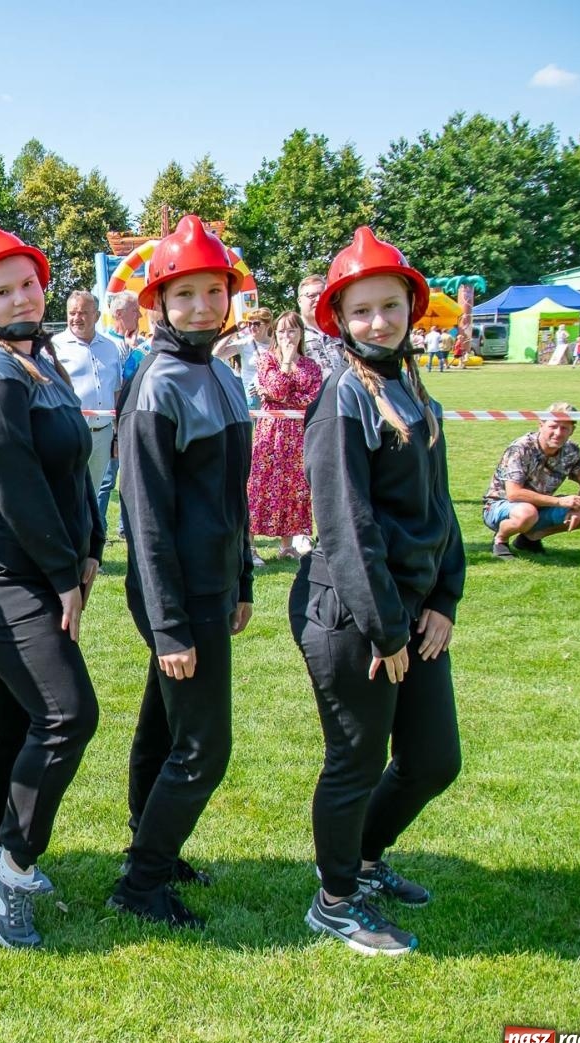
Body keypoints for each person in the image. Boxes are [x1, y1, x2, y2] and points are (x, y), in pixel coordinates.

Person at [294, 227, 464, 955]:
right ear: (339, 318)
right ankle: (334, 901)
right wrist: (388, 629)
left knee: (433, 758)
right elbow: (346, 528)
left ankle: (362, 862)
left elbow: (440, 506)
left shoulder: (409, 385)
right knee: (355, 761)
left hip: (413, 613)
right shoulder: (342, 399)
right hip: (352, 616)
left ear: (410, 308)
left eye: (389, 306)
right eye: (361, 311)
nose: (378, 322)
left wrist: (445, 600)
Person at [0, 220, 103, 949]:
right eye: (0, 289)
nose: (19, 297)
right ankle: (9, 867)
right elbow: (16, 486)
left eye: (27, 283)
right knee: (68, 713)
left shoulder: (41, 360)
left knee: (14, 717)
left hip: (43, 566)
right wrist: (65, 571)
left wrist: (91, 547)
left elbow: (74, 465)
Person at [112, 215, 253, 930]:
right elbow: (147, 520)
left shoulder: (220, 375)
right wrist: (170, 626)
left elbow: (234, 494)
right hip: (178, 595)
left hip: (212, 587)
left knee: (163, 730)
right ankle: (140, 883)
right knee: (203, 746)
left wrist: (245, 581)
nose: (202, 306)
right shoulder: (158, 383)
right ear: (159, 302)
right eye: (186, 293)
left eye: (213, 291)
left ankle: (153, 848)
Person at [483, 402, 580, 559]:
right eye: (553, 426)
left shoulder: (571, 450)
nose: (558, 433)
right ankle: (500, 540)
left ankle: (530, 538)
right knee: (527, 513)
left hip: (540, 507)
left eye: (564, 428)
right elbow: (514, 494)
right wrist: (560, 502)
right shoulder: (521, 448)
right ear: (541, 425)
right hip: (501, 506)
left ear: (572, 431)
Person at [248, 312, 322, 560]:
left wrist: (283, 394)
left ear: (300, 333)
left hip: (298, 435)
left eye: (291, 331)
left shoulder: (311, 365)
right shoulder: (266, 360)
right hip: (271, 433)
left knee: (294, 487)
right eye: (281, 331)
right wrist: (287, 363)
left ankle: (287, 545)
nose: (286, 336)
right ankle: (250, 545)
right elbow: (276, 391)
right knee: (261, 485)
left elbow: (311, 398)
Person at [53, 290, 124, 491]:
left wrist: (117, 436)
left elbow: (116, 392)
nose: (77, 318)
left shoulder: (111, 348)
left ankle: (89, 523)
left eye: (83, 312)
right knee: (67, 492)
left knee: (92, 493)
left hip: (103, 435)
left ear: (97, 316)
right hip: (69, 433)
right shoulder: (53, 347)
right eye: (72, 313)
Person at [99, 291, 145, 539]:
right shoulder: (108, 344)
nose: (140, 314)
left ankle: (126, 528)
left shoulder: (134, 342)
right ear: (119, 314)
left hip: (132, 421)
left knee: (132, 478)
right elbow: (124, 380)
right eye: (134, 310)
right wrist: (136, 354)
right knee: (106, 481)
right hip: (111, 424)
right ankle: (99, 531)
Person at [297, 274, 346, 378]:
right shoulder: (293, 332)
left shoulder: (342, 327)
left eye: (322, 295)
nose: (319, 299)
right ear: (299, 301)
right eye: (311, 296)